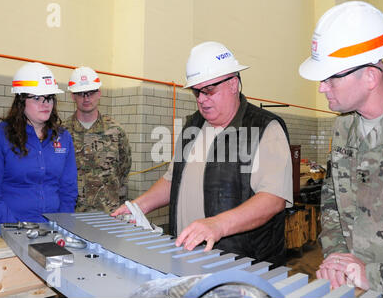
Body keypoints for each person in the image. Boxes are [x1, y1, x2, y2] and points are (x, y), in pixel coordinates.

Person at [112, 41, 293, 267]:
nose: (201, 99)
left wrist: (218, 225)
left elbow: (273, 199)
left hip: (244, 265)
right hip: (188, 255)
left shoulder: (264, 128)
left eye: (209, 91)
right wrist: (137, 207)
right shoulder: (193, 126)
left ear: (233, 84)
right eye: (196, 92)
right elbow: (172, 181)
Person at [299, 1, 383, 296]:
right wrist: (336, 257)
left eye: (332, 76)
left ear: (370, 75)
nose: (322, 87)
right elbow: (332, 201)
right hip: (354, 288)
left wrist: (377, 276)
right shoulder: (344, 127)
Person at [0, 62, 78, 240]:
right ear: (20, 100)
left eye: (49, 98)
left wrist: (61, 225)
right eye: (37, 98)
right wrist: (17, 229)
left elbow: (68, 190)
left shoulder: (63, 138)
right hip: (2, 232)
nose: (45, 103)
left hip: (50, 232)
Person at [63, 66, 132, 214]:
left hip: (108, 214)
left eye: (91, 92)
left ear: (99, 93)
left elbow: (123, 169)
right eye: (80, 93)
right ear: (72, 96)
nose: (86, 98)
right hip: (72, 215)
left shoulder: (115, 131)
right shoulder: (62, 132)